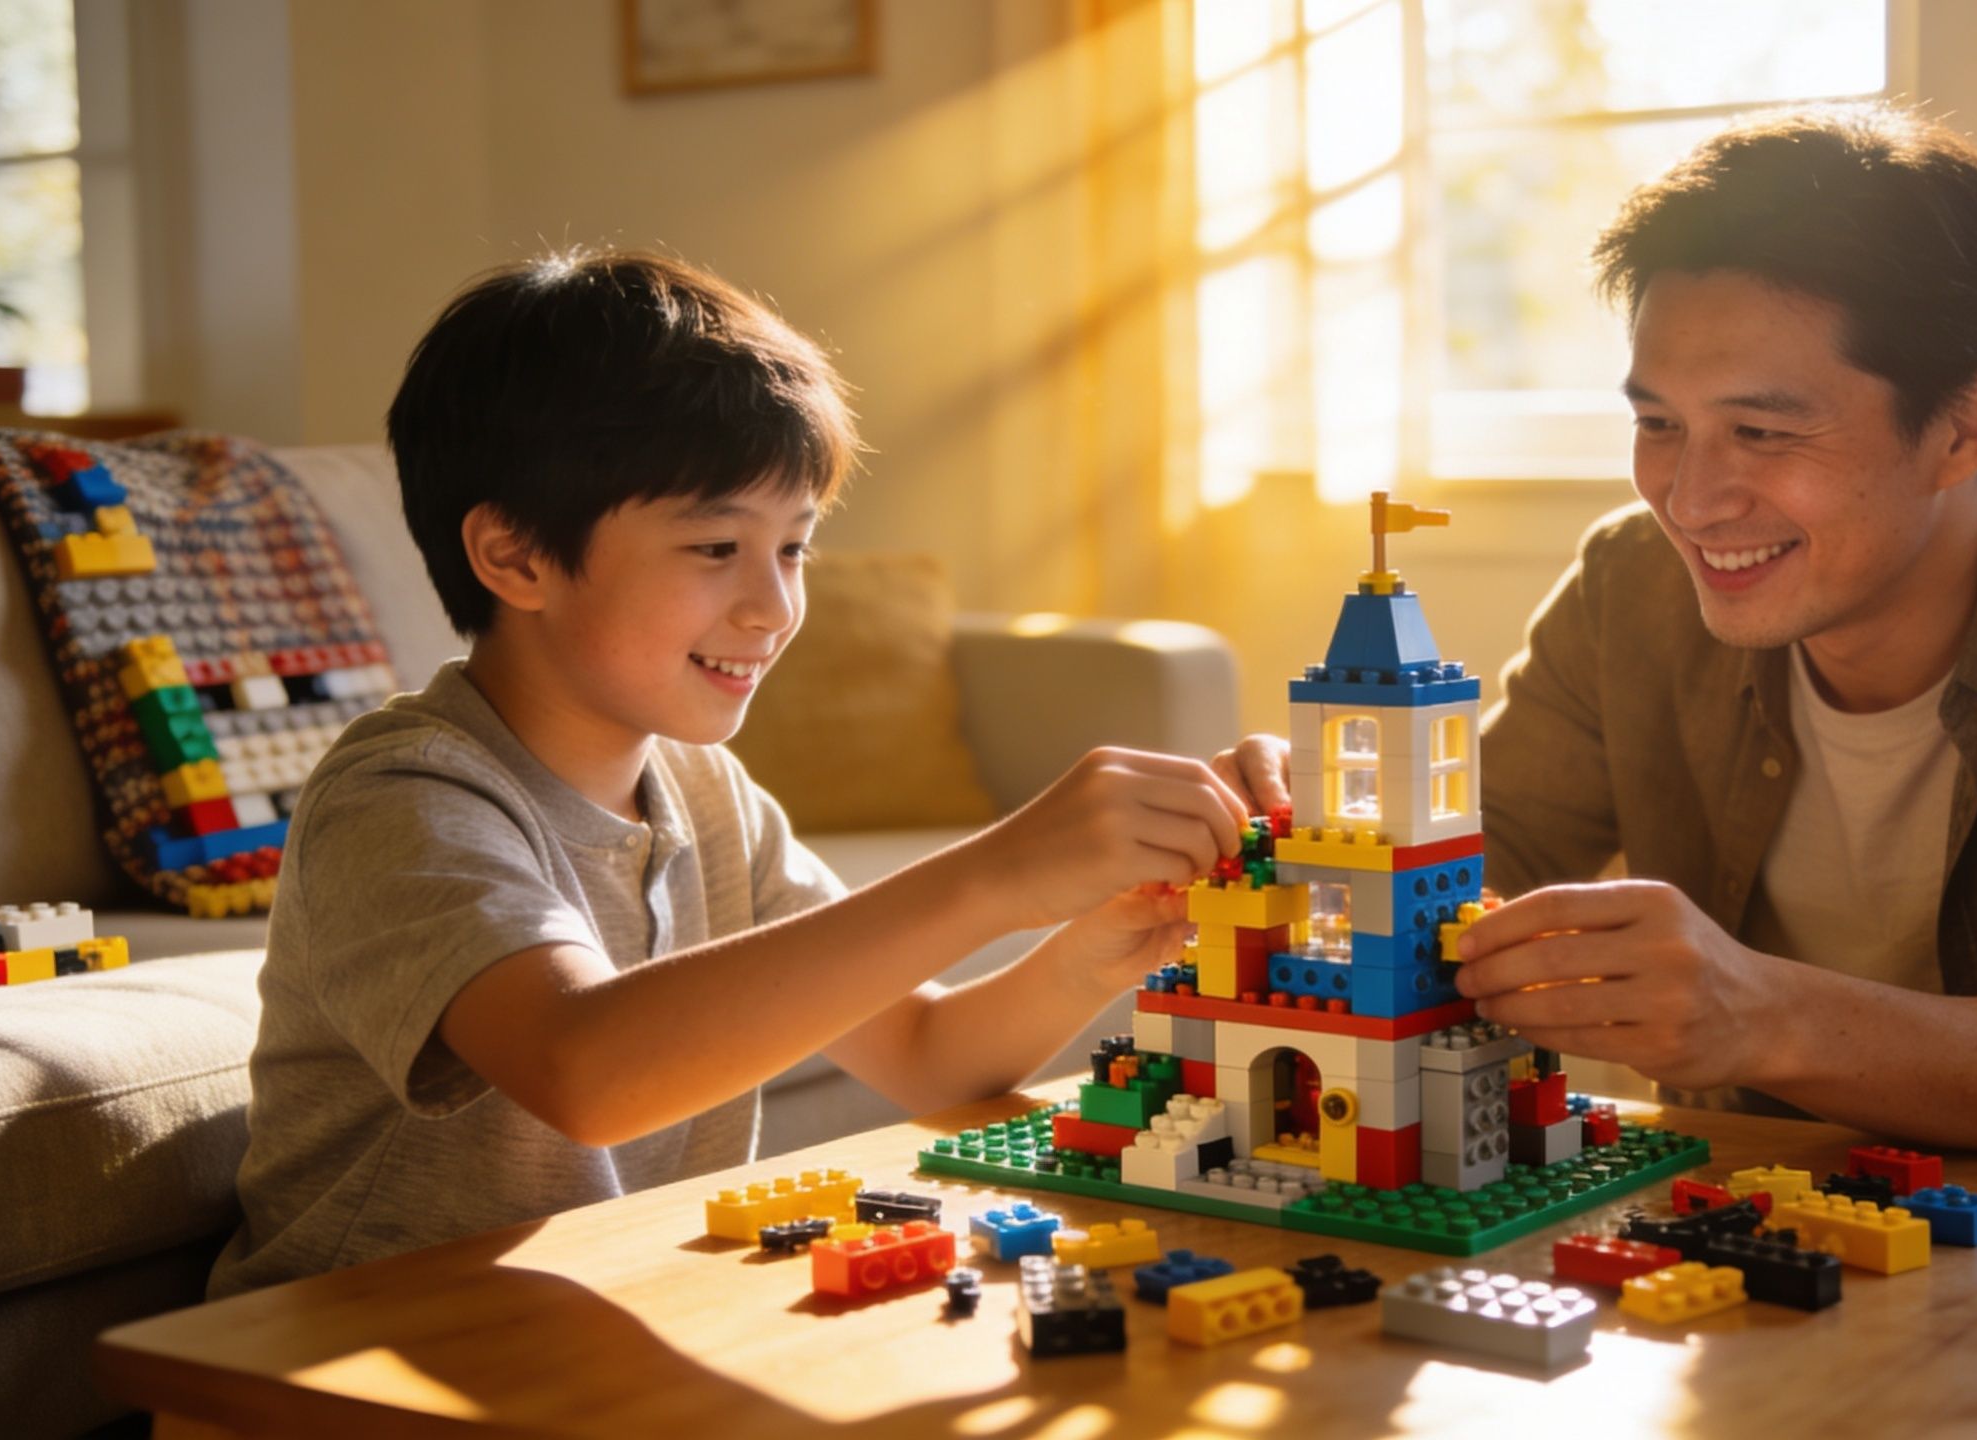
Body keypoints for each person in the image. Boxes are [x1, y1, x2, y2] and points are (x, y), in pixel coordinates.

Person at [1218, 105, 1977, 1184]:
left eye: (1763, 431)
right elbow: (1490, 856)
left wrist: (1759, 1014)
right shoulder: (1632, 583)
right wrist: (1319, 848)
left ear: (1965, 425)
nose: (1690, 497)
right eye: (1657, 424)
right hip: (1770, 1169)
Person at [211, 250, 1248, 1297]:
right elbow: (586, 1071)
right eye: (715, 547)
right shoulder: (404, 800)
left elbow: (930, 1056)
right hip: (342, 1354)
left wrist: (1095, 949)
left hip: (593, 1331)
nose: (772, 607)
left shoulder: (706, 796)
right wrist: (995, 872)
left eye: (792, 547)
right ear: (516, 556)